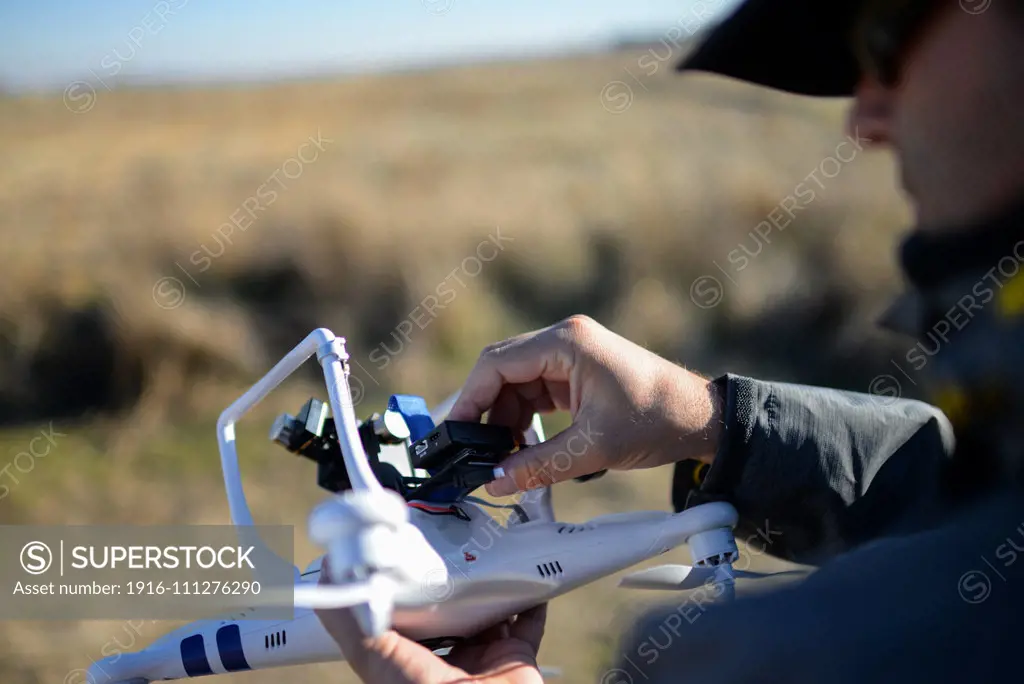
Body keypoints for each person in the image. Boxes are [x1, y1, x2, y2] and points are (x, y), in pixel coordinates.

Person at [317, 0, 1024, 681]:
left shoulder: (759, 664)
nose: (865, 119)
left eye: (883, 40)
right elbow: (976, 482)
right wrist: (711, 420)